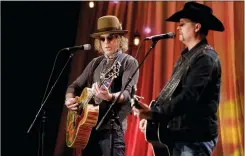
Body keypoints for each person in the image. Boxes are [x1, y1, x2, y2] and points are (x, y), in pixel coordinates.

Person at [133, 1, 224, 156]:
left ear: (197, 27)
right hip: (179, 135)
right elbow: (173, 94)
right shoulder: (186, 56)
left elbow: (188, 98)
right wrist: (153, 118)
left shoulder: (206, 59)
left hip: (195, 138)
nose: (177, 27)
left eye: (182, 24)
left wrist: (154, 114)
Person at [65, 15, 139, 156]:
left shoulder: (128, 62)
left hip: (112, 131)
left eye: (110, 38)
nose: (106, 42)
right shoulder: (95, 63)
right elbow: (73, 86)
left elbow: (127, 94)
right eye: (102, 39)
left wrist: (110, 96)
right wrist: (69, 100)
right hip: (89, 129)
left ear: (119, 38)